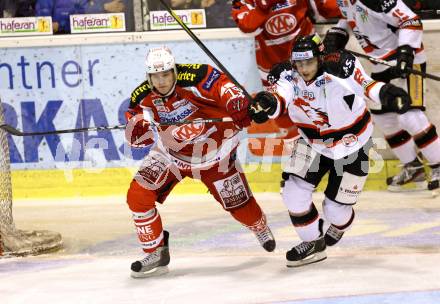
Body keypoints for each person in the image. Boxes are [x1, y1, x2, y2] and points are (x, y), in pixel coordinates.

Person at [248, 34, 411, 267]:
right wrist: (266, 104)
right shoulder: (285, 74)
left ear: (320, 58)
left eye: (309, 62)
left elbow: (368, 85)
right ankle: (313, 243)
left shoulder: (342, 66)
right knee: (293, 193)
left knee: (335, 212)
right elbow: (280, 96)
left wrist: (386, 93)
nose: (303, 69)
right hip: (312, 143)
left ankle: (340, 225)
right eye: (299, 63)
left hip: (354, 144)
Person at [125, 46, 276, 278]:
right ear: (148, 77)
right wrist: (137, 128)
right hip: (171, 154)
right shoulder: (142, 96)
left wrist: (238, 103)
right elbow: (134, 127)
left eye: (166, 74)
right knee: (137, 196)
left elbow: (224, 86)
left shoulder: (197, 76)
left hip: (215, 155)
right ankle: (155, 252)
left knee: (243, 210)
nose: (161, 81)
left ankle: (259, 227)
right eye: (155, 76)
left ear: (174, 71)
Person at [323, 0, 440, 192]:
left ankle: (438, 164)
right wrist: (338, 34)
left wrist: (406, 52)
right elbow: (349, 18)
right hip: (381, 63)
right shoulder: (343, 1)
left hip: (407, 61)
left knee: (409, 115)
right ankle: (413, 167)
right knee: (383, 118)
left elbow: (411, 21)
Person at [231, 0, 341, 90]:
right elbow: (247, 28)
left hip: (309, 58)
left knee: (319, 106)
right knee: (280, 110)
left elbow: (325, 10)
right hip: (271, 63)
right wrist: (262, 7)